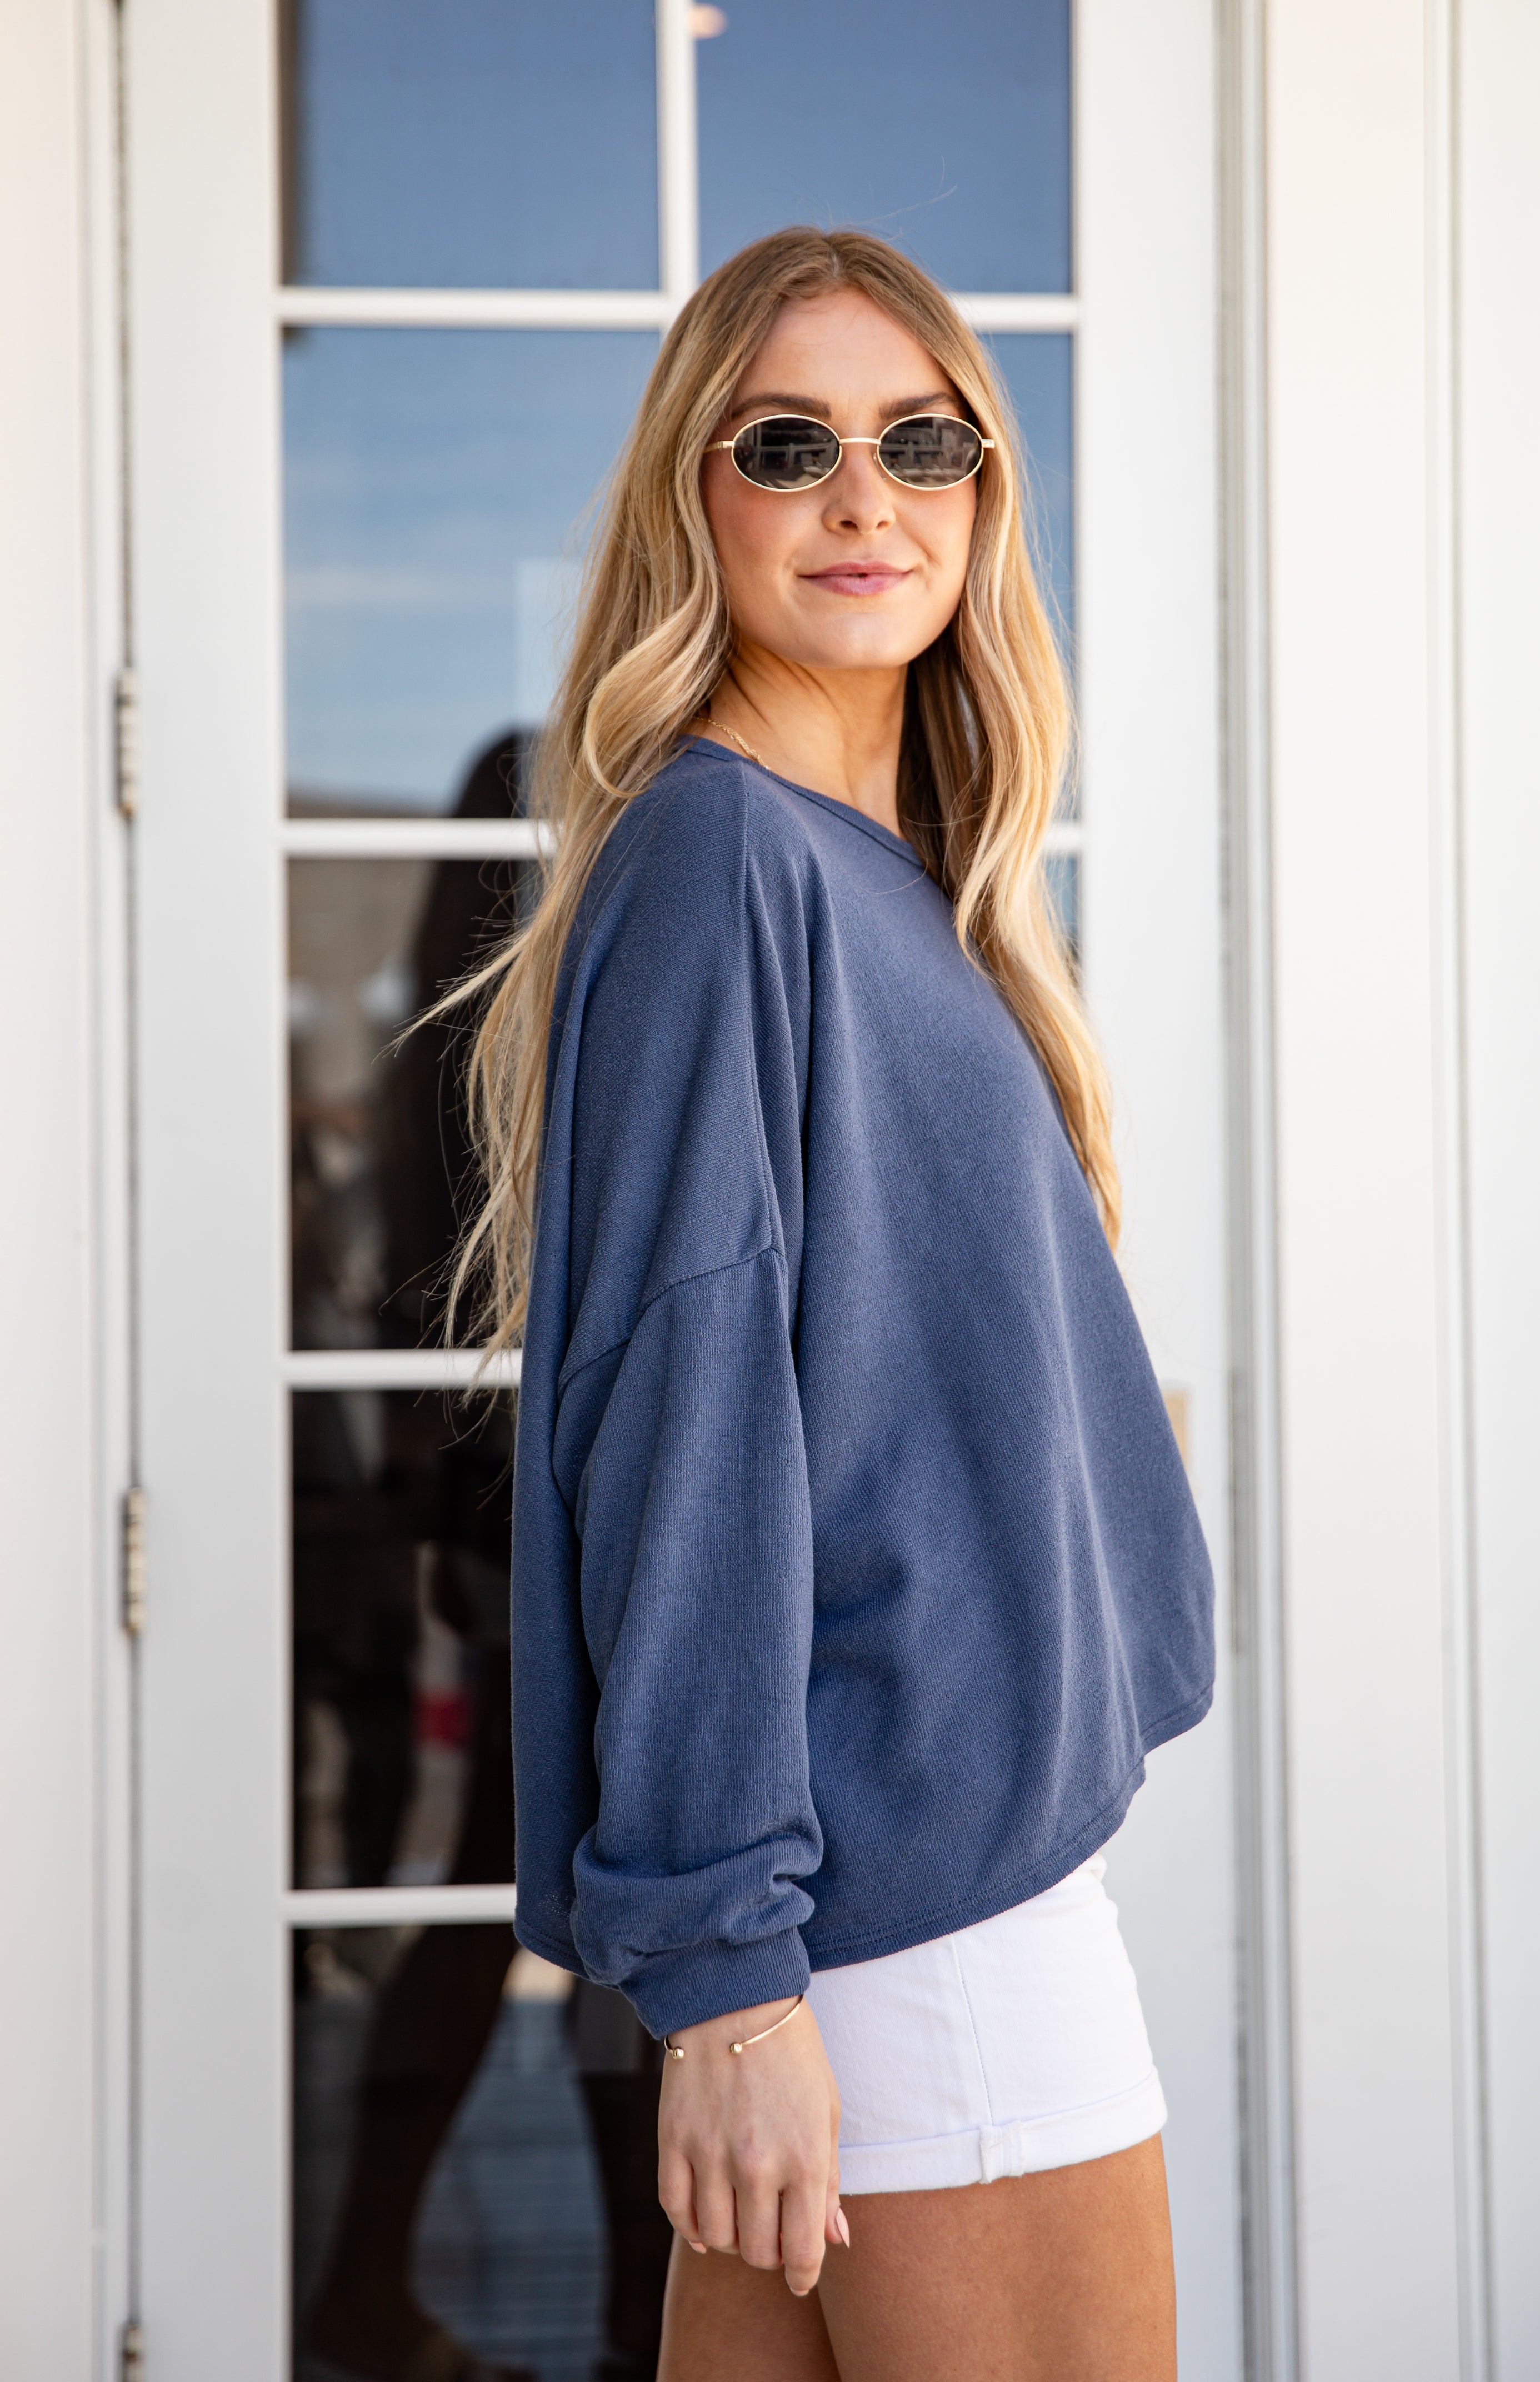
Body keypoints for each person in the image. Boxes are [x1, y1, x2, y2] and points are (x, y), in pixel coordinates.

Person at [444, 228, 1214, 2381]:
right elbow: (684, 1418)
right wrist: (726, 1975)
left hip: (915, 1890)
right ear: (695, 498)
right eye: (785, 444)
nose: (865, 495)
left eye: (922, 441)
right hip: (912, 1913)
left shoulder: (892, 876)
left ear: (982, 492)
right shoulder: (723, 860)